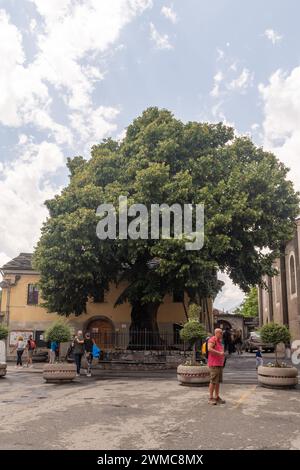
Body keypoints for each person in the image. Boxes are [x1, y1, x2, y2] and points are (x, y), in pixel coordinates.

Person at [207, 328, 226, 405]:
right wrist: (219, 353)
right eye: (221, 333)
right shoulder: (212, 340)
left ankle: (217, 397)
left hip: (219, 364)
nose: (222, 334)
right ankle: (211, 398)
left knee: (217, 381)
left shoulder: (219, 341)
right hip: (214, 364)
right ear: (217, 333)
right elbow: (209, 349)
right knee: (213, 381)